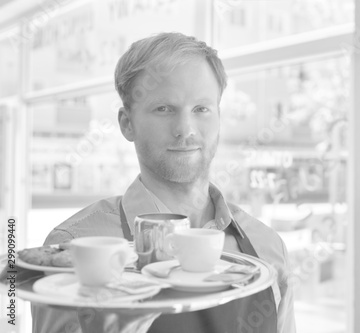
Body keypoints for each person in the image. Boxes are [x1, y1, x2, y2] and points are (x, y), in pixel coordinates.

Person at [32, 32, 296, 333]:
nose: (185, 130)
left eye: (201, 109)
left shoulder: (267, 246)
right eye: (164, 109)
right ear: (127, 123)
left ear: (219, 118)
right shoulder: (73, 248)